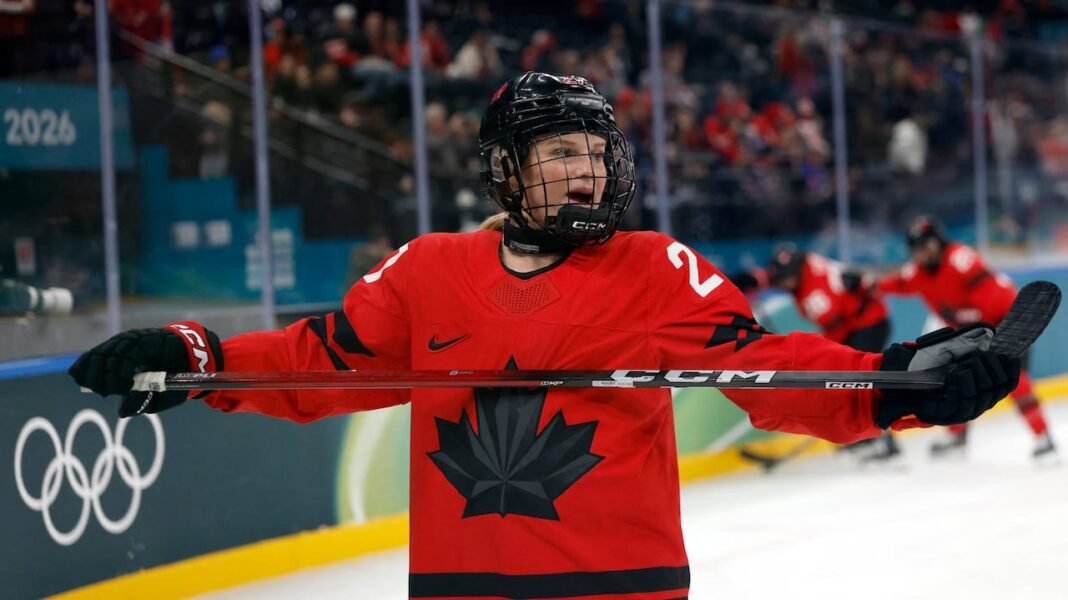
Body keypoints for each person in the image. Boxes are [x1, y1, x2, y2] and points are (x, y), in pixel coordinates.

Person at [70, 73, 1021, 599]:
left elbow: (768, 365)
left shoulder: (654, 266)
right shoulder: (427, 271)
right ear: (503, 169)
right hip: (459, 590)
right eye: (560, 153)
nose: (585, 174)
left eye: (596, 155)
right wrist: (194, 355)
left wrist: (894, 384)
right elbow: (322, 362)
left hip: (621, 589)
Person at [878, 215, 1056, 461]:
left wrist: (959, 316)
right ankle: (957, 438)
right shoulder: (917, 271)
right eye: (918, 246)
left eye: (927, 243)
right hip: (973, 329)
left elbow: (993, 301)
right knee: (956, 381)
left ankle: (1043, 437)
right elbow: (896, 283)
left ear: (938, 241)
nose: (924, 250)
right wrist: (867, 284)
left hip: (1007, 323)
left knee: (1017, 383)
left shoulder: (960, 259)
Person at [732, 245, 900, 462]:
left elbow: (838, 335)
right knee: (855, 382)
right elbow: (773, 276)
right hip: (858, 320)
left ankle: (882, 440)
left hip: (869, 323)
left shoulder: (817, 296)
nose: (782, 284)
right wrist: (751, 280)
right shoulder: (801, 266)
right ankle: (868, 437)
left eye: (785, 279)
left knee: (860, 381)